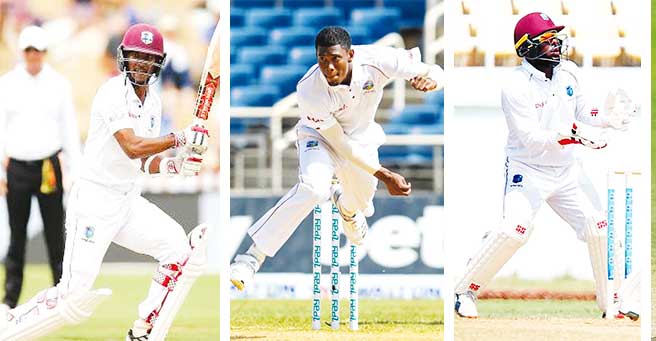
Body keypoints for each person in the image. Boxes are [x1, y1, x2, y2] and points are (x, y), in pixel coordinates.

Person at [0, 23, 211, 340]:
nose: (141, 63)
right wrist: (179, 138)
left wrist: (175, 165)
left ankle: (143, 331)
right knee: (72, 297)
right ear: (124, 57)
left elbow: (142, 161)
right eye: (136, 56)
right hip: (94, 202)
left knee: (178, 249)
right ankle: (10, 323)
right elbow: (132, 146)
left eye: (148, 58)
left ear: (159, 63)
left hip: (127, 201)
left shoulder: (153, 102)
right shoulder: (112, 93)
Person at [453, 12, 639, 319]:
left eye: (556, 39)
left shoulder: (569, 72)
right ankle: (464, 291)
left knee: (599, 228)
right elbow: (531, 140)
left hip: (567, 171)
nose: (555, 45)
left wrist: (607, 118)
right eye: (547, 40)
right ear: (527, 47)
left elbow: (583, 110)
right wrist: (575, 136)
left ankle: (613, 304)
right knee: (514, 230)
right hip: (528, 171)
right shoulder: (515, 86)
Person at [230, 26, 444, 290]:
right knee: (314, 188)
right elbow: (339, 144)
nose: (329, 68)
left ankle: (347, 208)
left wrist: (432, 82)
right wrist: (385, 174)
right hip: (319, 137)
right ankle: (251, 258)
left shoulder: (379, 60)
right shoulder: (309, 89)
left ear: (350, 55)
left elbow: (435, 71)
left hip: (361, 138)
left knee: (361, 203)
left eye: (335, 59)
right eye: (322, 59)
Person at [0, 25, 82, 309]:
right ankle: (10, 299)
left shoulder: (59, 84)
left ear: (45, 52)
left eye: (38, 50)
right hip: (17, 166)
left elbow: (69, 128)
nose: (33, 56)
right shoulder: (7, 84)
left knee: (55, 234)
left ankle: (62, 294)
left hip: (49, 165)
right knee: (16, 235)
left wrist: (75, 170)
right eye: (29, 51)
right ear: (22, 52)